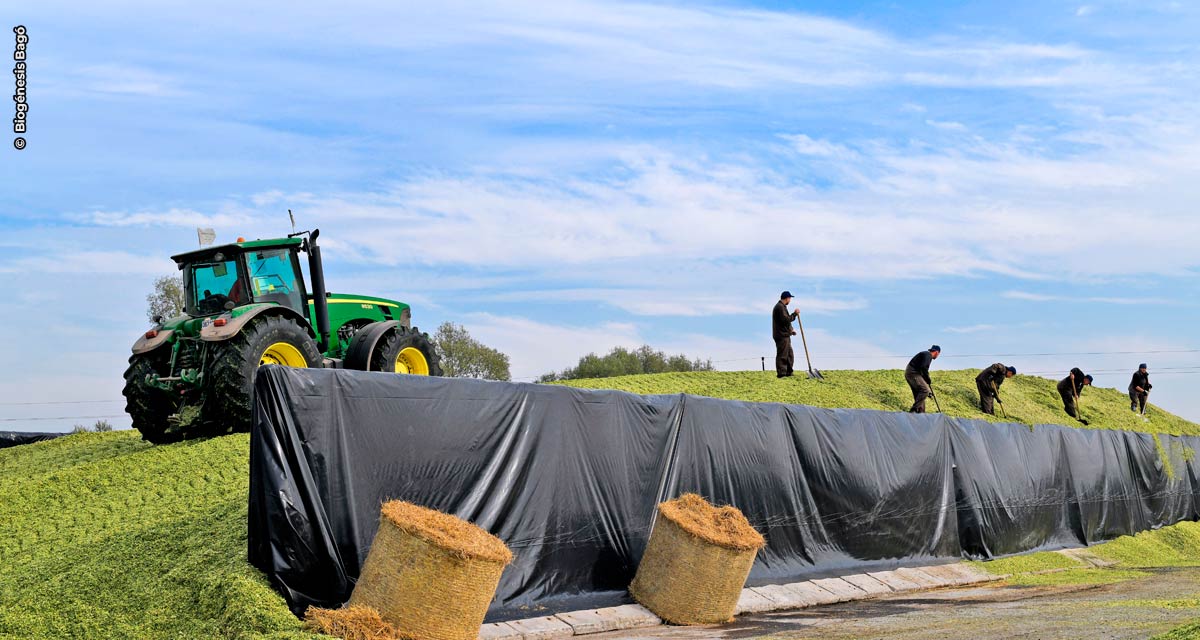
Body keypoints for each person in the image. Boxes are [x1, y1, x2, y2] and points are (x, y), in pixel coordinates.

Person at [905, 345, 941, 413]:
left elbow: (922, 369)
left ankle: (921, 413)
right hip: (913, 373)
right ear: (936, 352)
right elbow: (924, 368)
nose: (938, 356)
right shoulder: (928, 355)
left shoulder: (925, 354)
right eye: (938, 354)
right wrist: (928, 379)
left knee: (920, 394)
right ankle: (914, 410)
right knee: (925, 390)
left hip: (911, 373)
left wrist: (925, 379)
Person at [772, 291, 798, 378]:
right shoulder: (779, 307)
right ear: (786, 298)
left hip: (785, 335)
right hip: (781, 335)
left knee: (789, 354)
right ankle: (782, 373)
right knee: (782, 354)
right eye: (790, 298)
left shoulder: (782, 307)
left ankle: (788, 372)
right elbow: (786, 320)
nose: (790, 300)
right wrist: (795, 314)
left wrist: (791, 331)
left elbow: (785, 323)